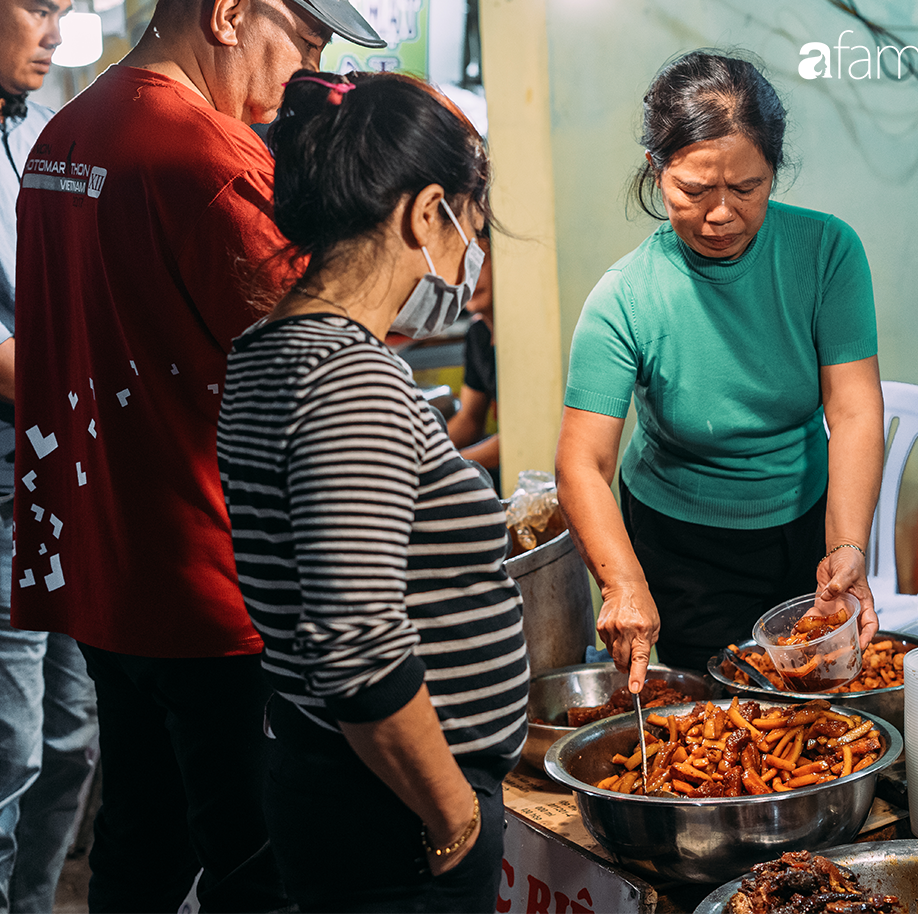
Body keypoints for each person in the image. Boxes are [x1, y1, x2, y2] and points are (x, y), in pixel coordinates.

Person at [11, 1, 385, 911]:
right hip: (216, 585)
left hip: (108, 570)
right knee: (259, 866)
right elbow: (326, 350)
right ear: (228, 13)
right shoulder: (210, 158)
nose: (306, 72)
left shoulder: (66, 136)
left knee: (141, 845)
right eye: (306, 41)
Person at [216, 70, 529, 913]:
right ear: (426, 214)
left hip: (336, 781)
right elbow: (356, 647)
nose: (468, 261)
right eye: (470, 229)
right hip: (396, 815)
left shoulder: (264, 349)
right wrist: (455, 819)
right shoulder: (350, 380)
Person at [555, 50, 884, 693]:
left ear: (773, 172)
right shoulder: (625, 297)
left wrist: (846, 546)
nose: (721, 214)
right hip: (680, 545)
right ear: (657, 171)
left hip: (807, 523)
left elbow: (853, 410)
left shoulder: (826, 253)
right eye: (695, 190)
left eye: (747, 188)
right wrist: (624, 583)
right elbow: (582, 463)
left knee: (816, 699)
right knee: (715, 710)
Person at [0, 3, 100, 912]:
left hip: (61, 488)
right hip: (3, 494)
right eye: (38, 6)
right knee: (11, 751)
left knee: (72, 743)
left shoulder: (40, 138)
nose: (57, 35)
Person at [447, 234, 501, 490]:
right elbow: (469, 419)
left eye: (481, 262)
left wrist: (446, 464)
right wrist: (424, 451)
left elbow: (522, 435)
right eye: (464, 265)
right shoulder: (477, 334)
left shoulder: (525, 340)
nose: (471, 277)